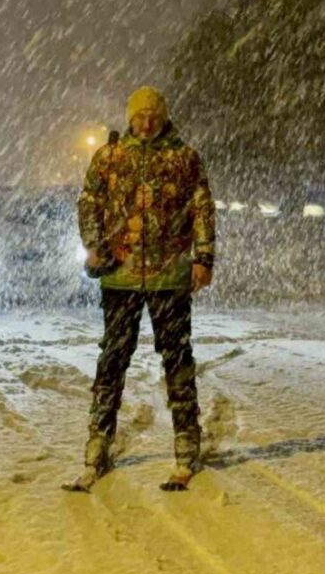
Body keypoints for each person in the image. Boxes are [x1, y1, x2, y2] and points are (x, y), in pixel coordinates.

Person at [64, 86, 216, 493]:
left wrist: (204, 257)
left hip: (170, 277)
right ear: (130, 118)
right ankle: (98, 443)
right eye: (139, 115)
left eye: (153, 115)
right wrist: (94, 245)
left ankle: (187, 443)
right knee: (112, 359)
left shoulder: (184, 158)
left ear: (163, 117)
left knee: (177, 360)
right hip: (121, 277)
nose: (146, 122)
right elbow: (89, 200)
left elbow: (202, 206)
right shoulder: (110, 157)